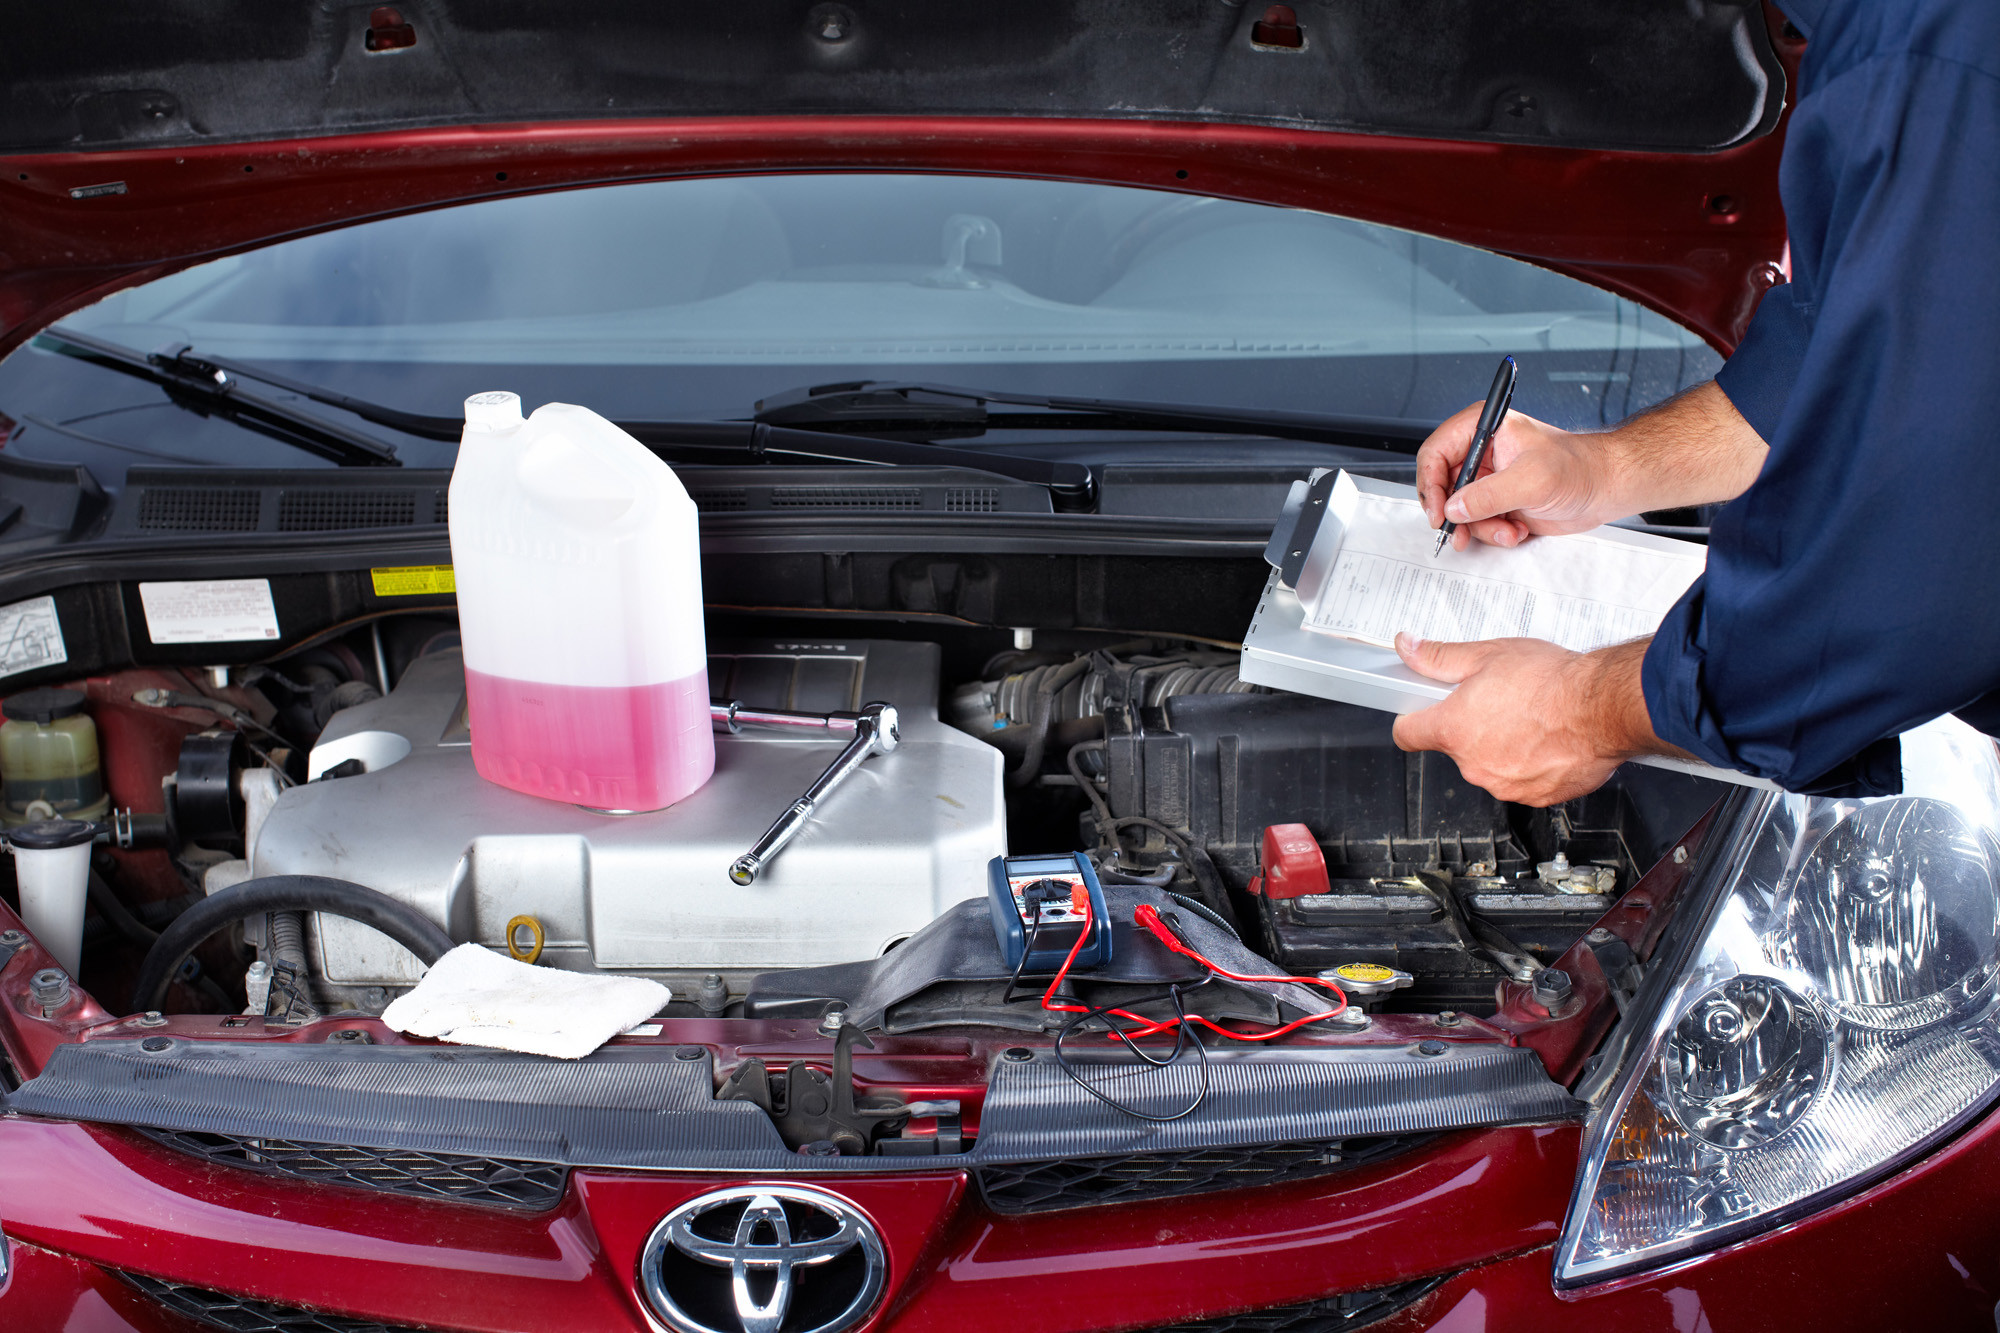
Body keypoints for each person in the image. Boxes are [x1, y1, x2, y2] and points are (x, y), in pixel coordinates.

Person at [1389, 0, 2000, 806]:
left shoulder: (1927, 49)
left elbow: (1902, 583)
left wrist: (1577, 710)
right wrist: (1604, 466)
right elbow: (1844, 350)